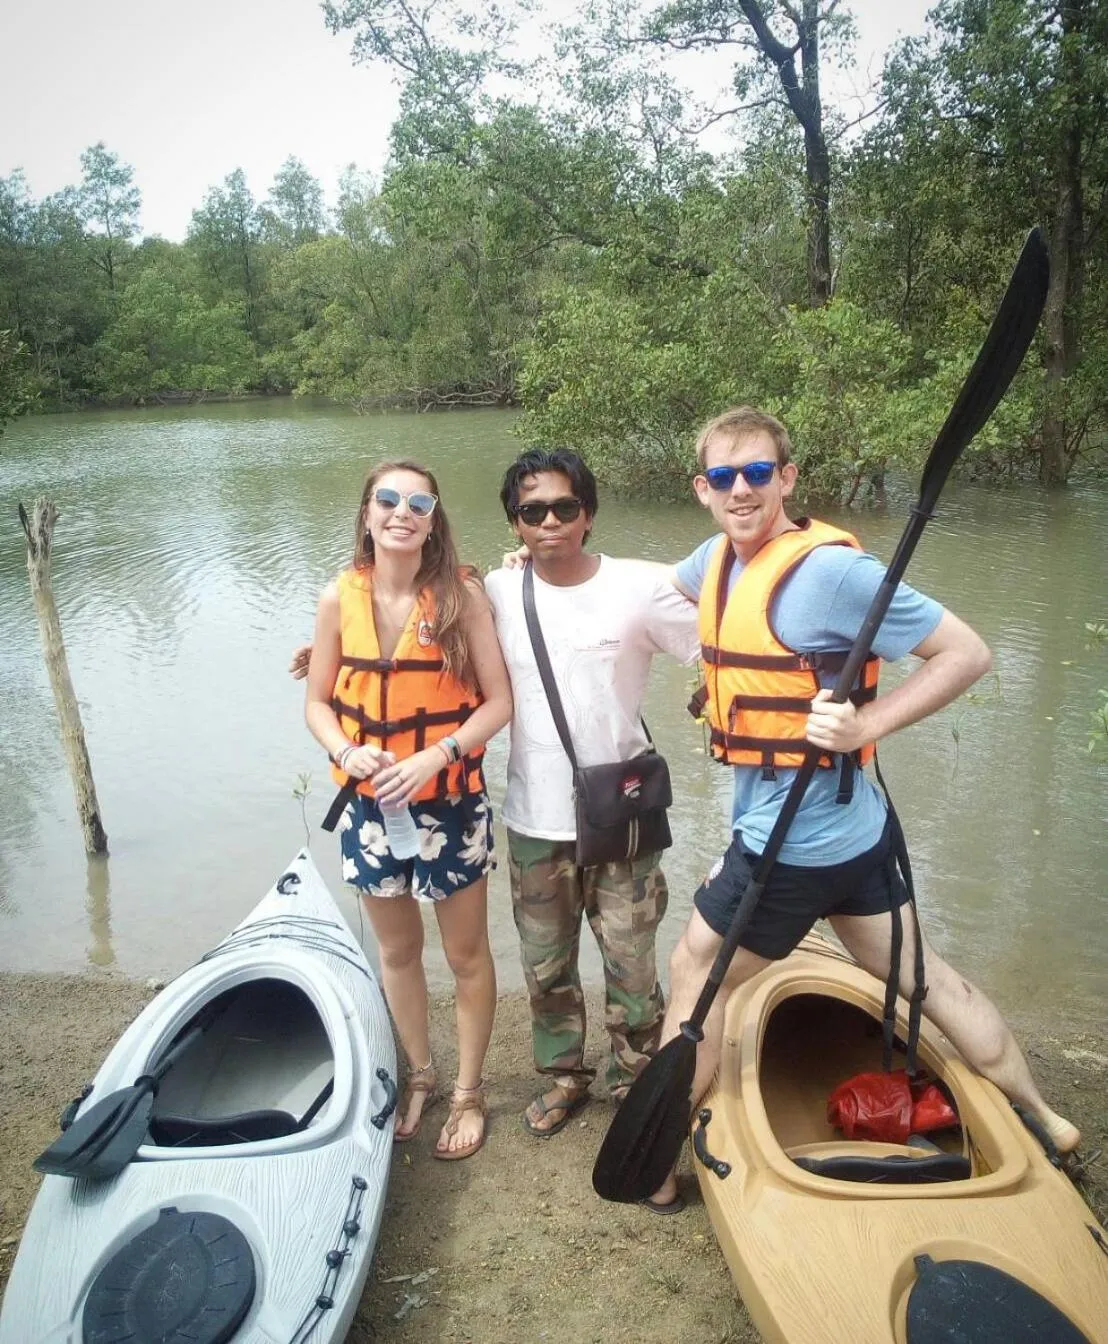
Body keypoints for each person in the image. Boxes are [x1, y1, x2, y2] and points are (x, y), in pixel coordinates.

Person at [647, 405, 1079, 1211]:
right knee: (925, 978)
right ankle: (1045, 1118)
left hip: (790, 848)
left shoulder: (833, 576)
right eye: (724, 476)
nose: (741, 490)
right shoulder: (715, 560)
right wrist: (540, 566)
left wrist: (867, 725)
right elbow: (651, 589)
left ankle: (659, 1167)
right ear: (702, 488)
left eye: (757, 472)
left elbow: (968, 653)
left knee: (696, 973)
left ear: (787, 478)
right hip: (859, 835)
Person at [484, 449, 700, 1142]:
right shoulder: (496, 591)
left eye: (564, 507)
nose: (549, 522)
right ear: (515, 524)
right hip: (534, 818)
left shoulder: (638, 586)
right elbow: (426, 633)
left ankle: (635, 1076)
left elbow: (722, 638)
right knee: (545, 965)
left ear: (589, 514)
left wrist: (717, 699)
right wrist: (326, 656)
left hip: (623, 813)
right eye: (532, 511)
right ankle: (565, 1076)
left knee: (632, 963)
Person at [304, 459, 512, 1160]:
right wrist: (346, 748)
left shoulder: (462, 598)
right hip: (369, 810)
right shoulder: (338, 599)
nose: (402, 512)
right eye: (388, 499)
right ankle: (421, 1073)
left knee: (465, 954)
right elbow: (317, 703)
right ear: (367, 513)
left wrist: (439, 754)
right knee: (397, 950)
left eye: (419, 503)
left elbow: (499, 703)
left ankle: (469, 1091)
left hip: (449, 805)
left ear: (433, 520)